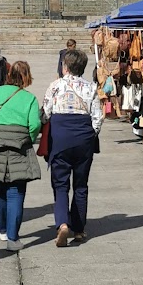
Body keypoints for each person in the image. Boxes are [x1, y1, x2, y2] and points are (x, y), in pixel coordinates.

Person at [0, 61, 42, 251]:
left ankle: (2, 229)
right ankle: (13, 238)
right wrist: (27, 138)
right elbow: (35, 125)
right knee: (16, 191)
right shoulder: (29, 98)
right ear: (26, 76)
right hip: (19, 146)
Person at [43, 49, 103, 246]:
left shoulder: (55, 86)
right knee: (81, 185)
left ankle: (62, 223)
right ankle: (79, 229)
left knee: (60, 184)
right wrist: (91, 134)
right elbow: (98, 117)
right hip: (83, 138)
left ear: (65, 67)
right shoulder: (91, 87)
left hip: (60, 137)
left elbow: (46, 113)